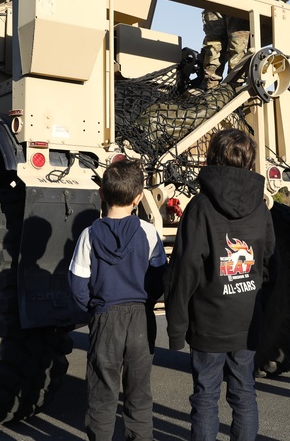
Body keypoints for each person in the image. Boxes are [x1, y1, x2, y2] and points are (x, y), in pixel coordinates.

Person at [164, 128, 276, 441]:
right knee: (244, 394)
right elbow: (268, 262)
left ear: (213, 157)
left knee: (205, 396)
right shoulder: (261, 208)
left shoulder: (200, 207)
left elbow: (185, 269)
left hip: (208, 323)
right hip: (247, 320)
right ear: (251, 160)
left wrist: (176, 328)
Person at [68, 158, 168, 441]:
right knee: (139, 393)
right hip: (140, 318)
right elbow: (160, 278)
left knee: (102, 393)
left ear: (101, 194)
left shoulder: (88, 235)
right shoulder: (149, 233)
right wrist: (147, 301)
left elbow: (77, 285)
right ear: (138, 198)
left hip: (105, 316)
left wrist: (94, 309)